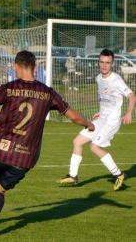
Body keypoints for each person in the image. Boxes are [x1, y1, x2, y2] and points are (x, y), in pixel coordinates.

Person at [0, 50, 95, 241]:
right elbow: (72, 115)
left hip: (0, 150)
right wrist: (89, 124)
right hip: (24, 157)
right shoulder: (48, 93)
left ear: (16, 66)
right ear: (35, 68)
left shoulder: (8, 88)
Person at [57, 49, 135, 191]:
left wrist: (129, 113)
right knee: (77, 141)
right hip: (102, 119)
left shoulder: (116, 80)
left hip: (112, 122)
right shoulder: (99, 78)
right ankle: (73, 176)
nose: (104, 65)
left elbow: (131, 95)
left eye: (108, 63)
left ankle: (118, 174)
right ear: (99, 62)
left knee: (94, 147)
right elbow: (106, 99)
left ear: (112, 64)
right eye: (102, 62)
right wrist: (101, 111)